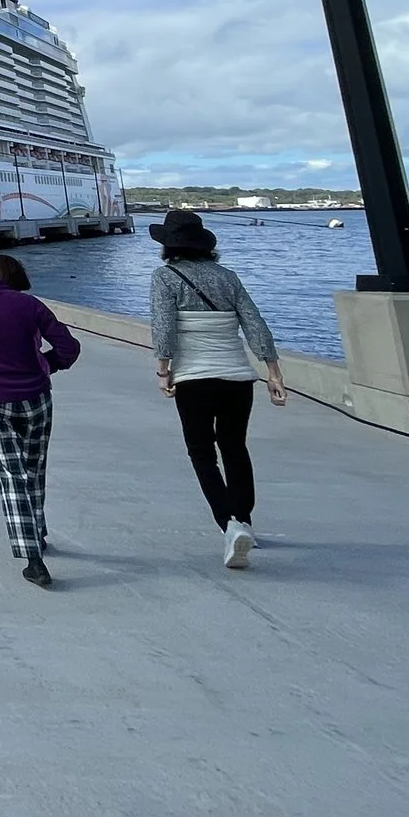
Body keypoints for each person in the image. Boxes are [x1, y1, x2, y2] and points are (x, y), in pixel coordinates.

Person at [148, 209, 287, 569]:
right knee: (235, 448)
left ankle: (230, 524)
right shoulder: (228, 277)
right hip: (238, 379)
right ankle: (244, 520)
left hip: (194, 379)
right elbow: (256, 325)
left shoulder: (166, 278)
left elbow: (164, 329)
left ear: (168, 247)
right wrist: (273, 372)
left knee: (201, 453)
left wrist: (163, 370)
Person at [0, 251, 80, 587]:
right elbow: (69, 347)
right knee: (34, 468)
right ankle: (37, 533)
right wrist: (46, 365)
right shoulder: (31, 306)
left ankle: (32, 558)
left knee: (11, 475)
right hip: (35, 398)